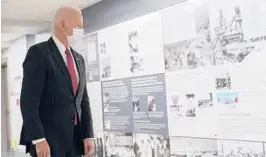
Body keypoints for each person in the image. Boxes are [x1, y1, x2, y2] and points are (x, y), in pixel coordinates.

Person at [19, 6, 94, 157]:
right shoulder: (39, 53)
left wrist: (88, 135)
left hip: (75, 140)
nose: (81, 30)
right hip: (48, 140)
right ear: (62, 25)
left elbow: (83, 100)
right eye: (78, 26)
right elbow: (29, 102)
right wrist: (38, 139)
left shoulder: (79, 58)